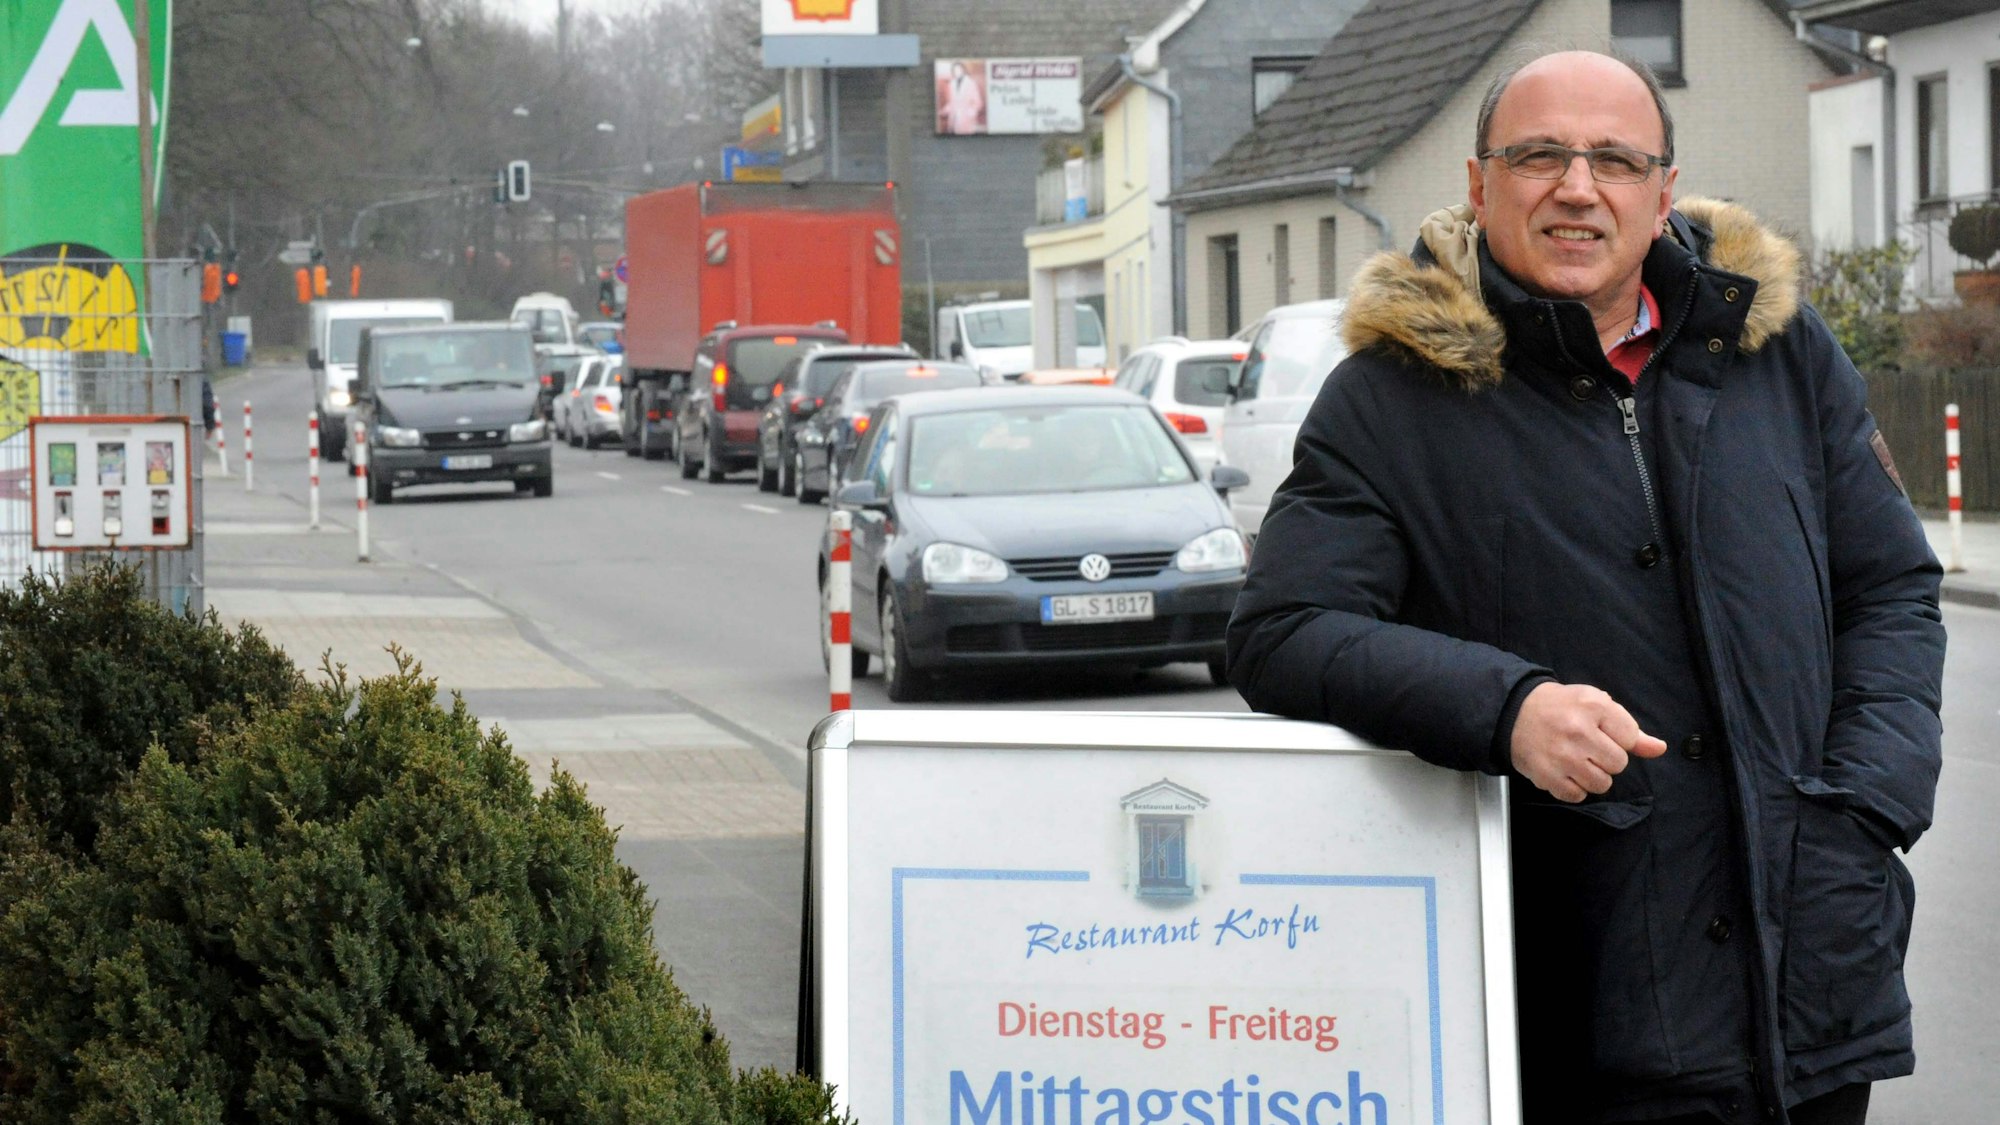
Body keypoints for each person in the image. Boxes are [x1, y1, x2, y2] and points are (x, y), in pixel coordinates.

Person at [1225, 51, 1943, 1125]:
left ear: (1660, 191)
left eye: (1612, 159)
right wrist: (1504, 708)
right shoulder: (1390, 397)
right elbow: (1280, 633)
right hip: (1576, 998)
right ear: (1478, 186)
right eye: (1537, 157)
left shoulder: (1777, 355)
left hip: (1808, 983)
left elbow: (1888, 589)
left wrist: (1865, 806)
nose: (1576, 186)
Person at [940, 62, 984, 135]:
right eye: (955, 70)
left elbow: (978, 102)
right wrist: (943, 111)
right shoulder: (952, 84)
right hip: (953, 118)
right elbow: (952, 102)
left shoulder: (971, 83)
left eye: (959, 70)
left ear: (963, 70)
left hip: (966, 119)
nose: (957, 72)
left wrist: (971, 113)